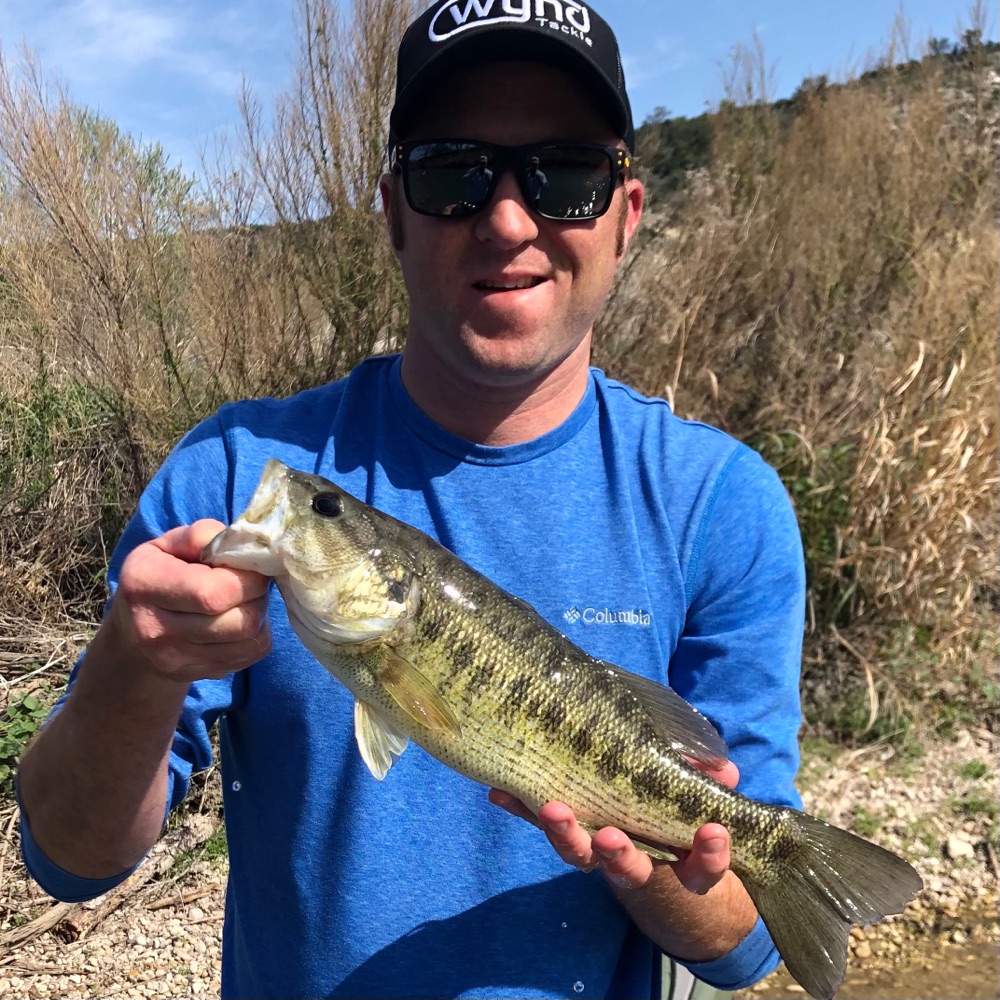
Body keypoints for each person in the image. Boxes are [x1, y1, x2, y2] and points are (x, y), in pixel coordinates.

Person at [17, 3, 806, 998]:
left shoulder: (721, 505)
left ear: (626, 217)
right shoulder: (234, 470)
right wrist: (133, 668)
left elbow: (744, 946)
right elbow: (70, 860)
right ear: (392, 211)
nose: (507, 221)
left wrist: (642, 854)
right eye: (451, 172)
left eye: (566, 174)